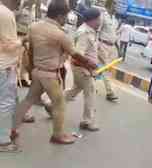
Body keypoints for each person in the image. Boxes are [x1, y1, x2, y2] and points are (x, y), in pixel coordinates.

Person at [14, 0, 97, 145]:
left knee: (28, 100)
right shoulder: (60, 34)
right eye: (65, 16)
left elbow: (27, 43)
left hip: (37, 71)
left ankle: (12, 129)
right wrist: (89, 63)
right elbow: (74, 53)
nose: (65, 20)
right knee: (59, 104)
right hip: (49, 74)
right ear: (59, 16)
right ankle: (58, 135)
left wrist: (31, 67)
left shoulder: (34, 27)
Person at [65, 7, 100, 132]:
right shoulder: (84, 33)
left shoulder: (90, 31)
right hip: (82, 68)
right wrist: (89, 67)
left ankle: (52, 104)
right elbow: (78, 54)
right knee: (90, 92)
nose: (99, 21)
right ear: (93, 19)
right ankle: (87, 121)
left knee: (75, 89)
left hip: (83, 68)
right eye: (98, 19)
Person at [0, 0, 23, 152]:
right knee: (5, 104)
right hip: (4, 65)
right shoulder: (5, 13)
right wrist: (22, 41)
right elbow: (8, 46)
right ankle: (3, 142)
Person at [97, 0, 119, 102]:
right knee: (105, 68)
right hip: (102, 45)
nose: (117, 7)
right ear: (110, 5)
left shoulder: (115, 19)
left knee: (103, 69)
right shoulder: (103, 16)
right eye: (115, 5)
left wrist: (118, 49)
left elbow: (114, 35)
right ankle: (109, 92)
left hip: (111, 47)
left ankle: (85, 84)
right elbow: (97, 31)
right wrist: (97, 46)